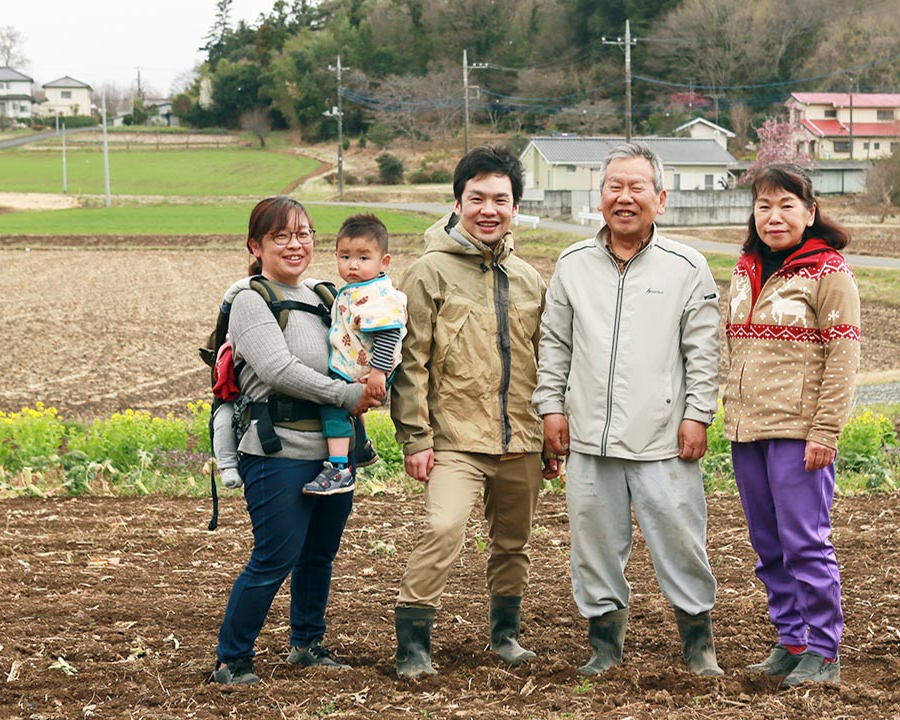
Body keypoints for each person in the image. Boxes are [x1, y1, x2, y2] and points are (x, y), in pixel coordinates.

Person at [534, 141, 724, 677]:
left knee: (681, 538)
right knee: (593, 542)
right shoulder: (573, 264)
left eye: (636, 187)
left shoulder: (687, 266)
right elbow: (555, 345)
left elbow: (703, 350)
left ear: (659, 199)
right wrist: (551, 408)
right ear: (600, 198)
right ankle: (604, 645)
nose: (624, 197)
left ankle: (697, 641)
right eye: (614, 186)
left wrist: (697, 414)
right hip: (588, 435)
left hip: (663, 435)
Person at [389, 146, 558, 679]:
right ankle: (413, 645)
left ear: (514, 207)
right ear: (457, 202)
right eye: (477, 197)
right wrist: (415, 438)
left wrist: (552, 434)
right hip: (454, 438)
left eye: (501, 199)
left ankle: (504, 636)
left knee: (514, 543)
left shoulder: (530, 278)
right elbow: (408, 360)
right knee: (443, 526)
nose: (489, 209)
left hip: (522, 438)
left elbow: (548, 360)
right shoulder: (427, 272)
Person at [211, 196, 380, 686]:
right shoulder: (250, 299)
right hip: (277, 451)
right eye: (280, 236)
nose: (295, 244)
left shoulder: (329, 297)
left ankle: (306, 644)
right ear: (255, 246)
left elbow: (358, 353)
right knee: (274, 557)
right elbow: (278, 371)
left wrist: (375, 377)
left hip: (334, 456)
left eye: (303, 233)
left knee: (318, 556)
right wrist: (348, 395)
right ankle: (233, 657)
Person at [723, 164, 861, 687]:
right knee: (768, 544)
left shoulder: (829, 273)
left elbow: (843, 358)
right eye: (763, 206)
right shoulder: (745, 267)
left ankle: (825, 650)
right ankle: (792, 639)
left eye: (786, 205)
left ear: (810, 212)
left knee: (805, 543)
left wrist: (826, 431)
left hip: (798, 433)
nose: (773, 216)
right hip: (746, 430)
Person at [302, 212, 406, 496]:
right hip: (361, 367)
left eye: (363, 258)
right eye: (345, 257)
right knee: (349, 406)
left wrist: (377, 374)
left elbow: (388, 335)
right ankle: (360, 447)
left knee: (332, 406)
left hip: (372, 369)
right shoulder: (358, 289)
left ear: (384, 261)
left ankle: (339, 468)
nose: (352, 265)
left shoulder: (377, 295)